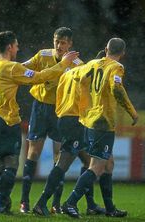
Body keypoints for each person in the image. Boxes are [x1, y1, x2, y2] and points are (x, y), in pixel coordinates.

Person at [0, 31, 79, 214]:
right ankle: (3, 206)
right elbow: (40, 77)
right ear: (10, 47)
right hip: (8, 121)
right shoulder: (12, 68)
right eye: (17, 45)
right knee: (11, 166)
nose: (18, 48)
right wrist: (65, 64)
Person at [61, 38, 139, 218]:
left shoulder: (93, 63)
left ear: (106, 49)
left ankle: (110, 209)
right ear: (123, 53)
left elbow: (75, 76)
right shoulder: (117, 67)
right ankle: (70, 203)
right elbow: (117, 89)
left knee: (108, 164)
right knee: (97, 166)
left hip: (90, 120)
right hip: (103, 121)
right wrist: (132, 112)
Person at [32, 50, 108, 216]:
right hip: (76, 120)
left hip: (64, 118)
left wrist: (62, 114)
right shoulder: (91, 75)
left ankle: (90, 204)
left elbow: (58, 96)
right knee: (64, 163)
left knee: (89, 161)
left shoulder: (69, 72)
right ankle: (42, 203)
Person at [20, 27, 83, 214]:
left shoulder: (78, 64)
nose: (59, 45)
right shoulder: (43, 55)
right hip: (39, 107)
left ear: (70, 44)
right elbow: (23, 68)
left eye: (63, 42)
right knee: (33, 152)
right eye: (56, 41)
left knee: (59, 155)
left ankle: (55, 203)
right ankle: (24, 201)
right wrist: (32, 76)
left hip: (60, 111)